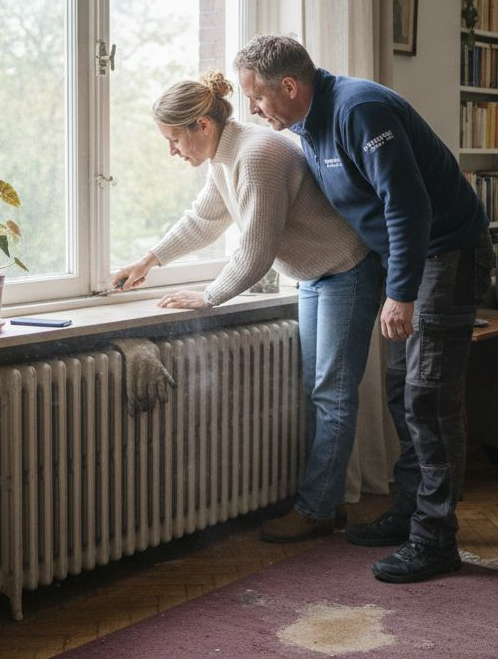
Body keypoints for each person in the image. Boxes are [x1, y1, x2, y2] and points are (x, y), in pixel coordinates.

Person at [233, 35, 495, 583]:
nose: (253, 110)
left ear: (288, 85)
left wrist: (400, 291)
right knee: (403, 392)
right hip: (411, 259)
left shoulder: (358, 109)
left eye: (256, 97)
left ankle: (435, 539)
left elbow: (408, 204)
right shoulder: (305, 122)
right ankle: (407, 512)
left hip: (447, 252)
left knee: (428, 399)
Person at [113, 72, 383, 543]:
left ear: (201, 124)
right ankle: (327, 502)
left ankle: (317, 509)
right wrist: (150, 260)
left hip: (347, 270)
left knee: (332, 395)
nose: (172, 152)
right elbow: (203, 219)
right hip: (316, 275)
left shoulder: (257, 156)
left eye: (174, 139)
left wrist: (210, 296)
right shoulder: (226, 155)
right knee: (321, 391)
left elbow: (256, 251)